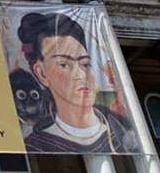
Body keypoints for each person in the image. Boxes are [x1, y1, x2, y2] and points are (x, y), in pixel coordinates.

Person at [16, 12, 138, 153]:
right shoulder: (36, 145)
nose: (81, 75)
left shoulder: (122, 126)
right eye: (64, 65)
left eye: (85, 64)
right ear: (42, 73)